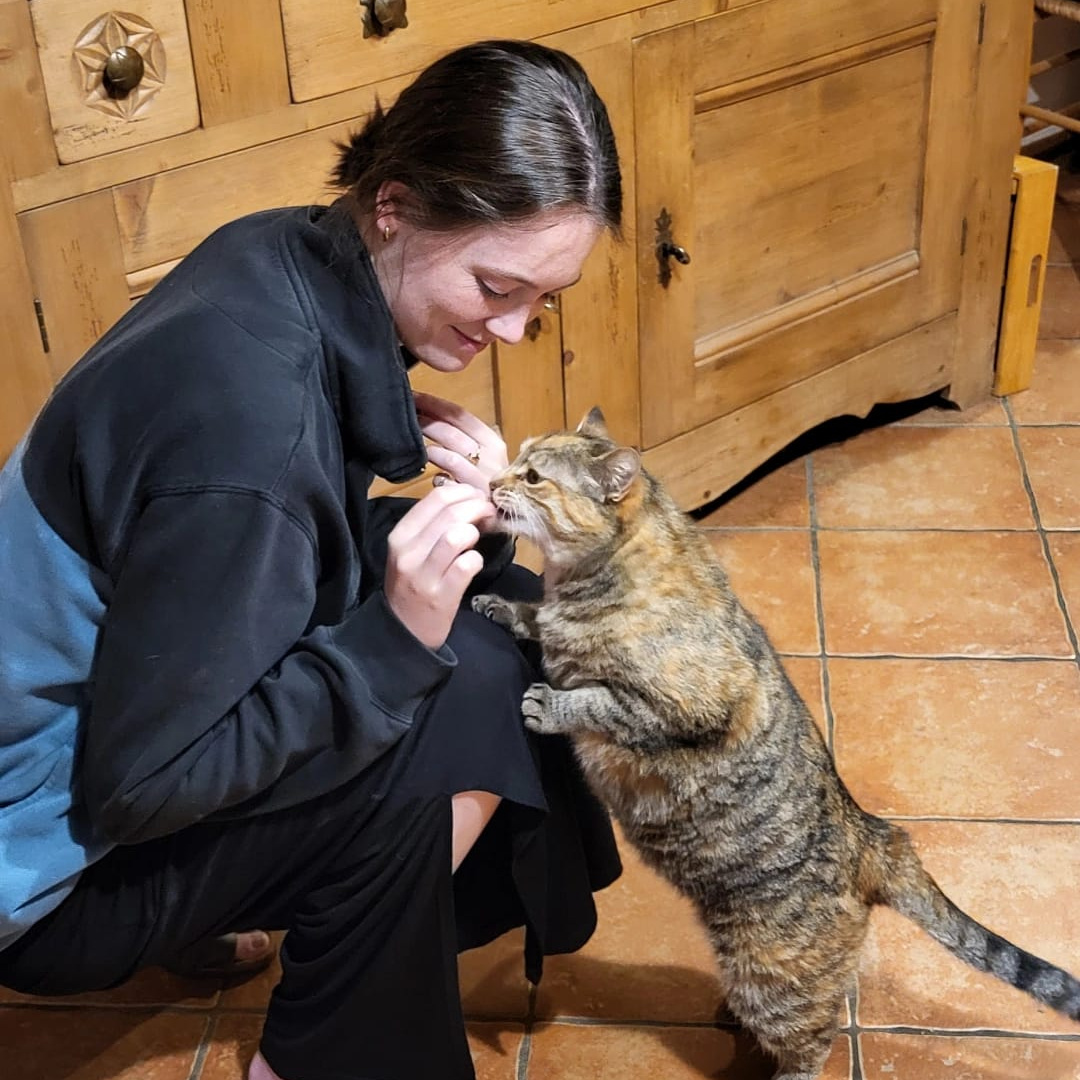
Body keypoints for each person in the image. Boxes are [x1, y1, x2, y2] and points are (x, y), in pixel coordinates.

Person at [0, 39, 623, 1080]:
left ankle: (232, 923)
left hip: (76, 723)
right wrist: (389, 649)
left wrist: (403, 443)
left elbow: (242, 544)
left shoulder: (278, 251)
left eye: (541, 301)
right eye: (495, 285)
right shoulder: (254, 438)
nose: (516, 330)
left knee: (489, 586)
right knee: (462, 698)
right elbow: (137, 788)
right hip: (46, 871)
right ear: (396, 203)